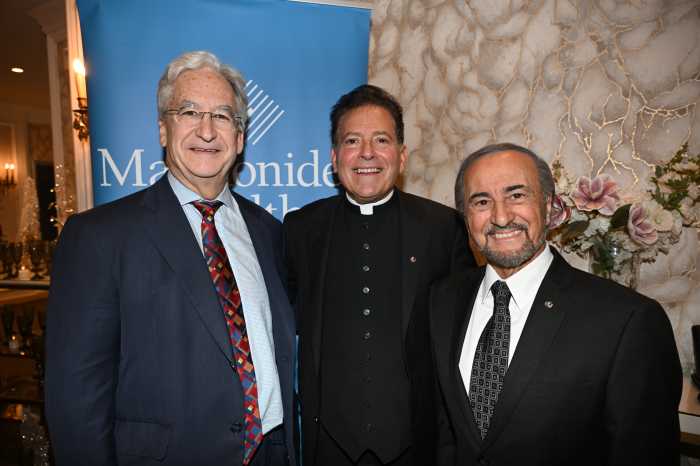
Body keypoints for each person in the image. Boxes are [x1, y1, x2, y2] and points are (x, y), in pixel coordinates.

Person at [45, 51, 296, 466]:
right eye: (189, 112)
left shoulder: (268, 232)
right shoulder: (98, 237)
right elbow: (76, 399)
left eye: (222, 116)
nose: (206, 130)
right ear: (163, 129)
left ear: (239, 137)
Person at [430, 142, 682, 465]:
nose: (501, 216)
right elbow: (444, 432)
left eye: (516, 195)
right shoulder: (443, 300)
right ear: (466, 218)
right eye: (481, 201)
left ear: (548, 206)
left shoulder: (627, 321)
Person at [283, 84, 475, 466]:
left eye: (381, 140)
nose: (367, 153)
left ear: (401, 156)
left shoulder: (444, 229)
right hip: (327, 447)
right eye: (352, 141)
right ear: (335, 157)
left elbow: (466, 339)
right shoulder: (300, 230)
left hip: (416, 447)